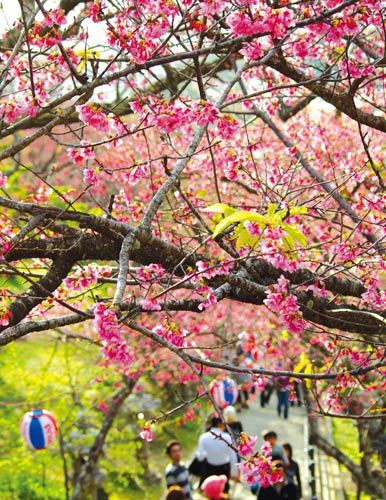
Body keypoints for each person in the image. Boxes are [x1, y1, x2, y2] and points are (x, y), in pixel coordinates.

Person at [196, 415, 238, 493]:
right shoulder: (227, 437)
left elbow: (200, 457)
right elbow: (233, 456)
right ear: (219, 424)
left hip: (209, 468)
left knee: (210, 492)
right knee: (223, 493)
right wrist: (234, 473)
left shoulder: (203, 437)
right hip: (224, 469)